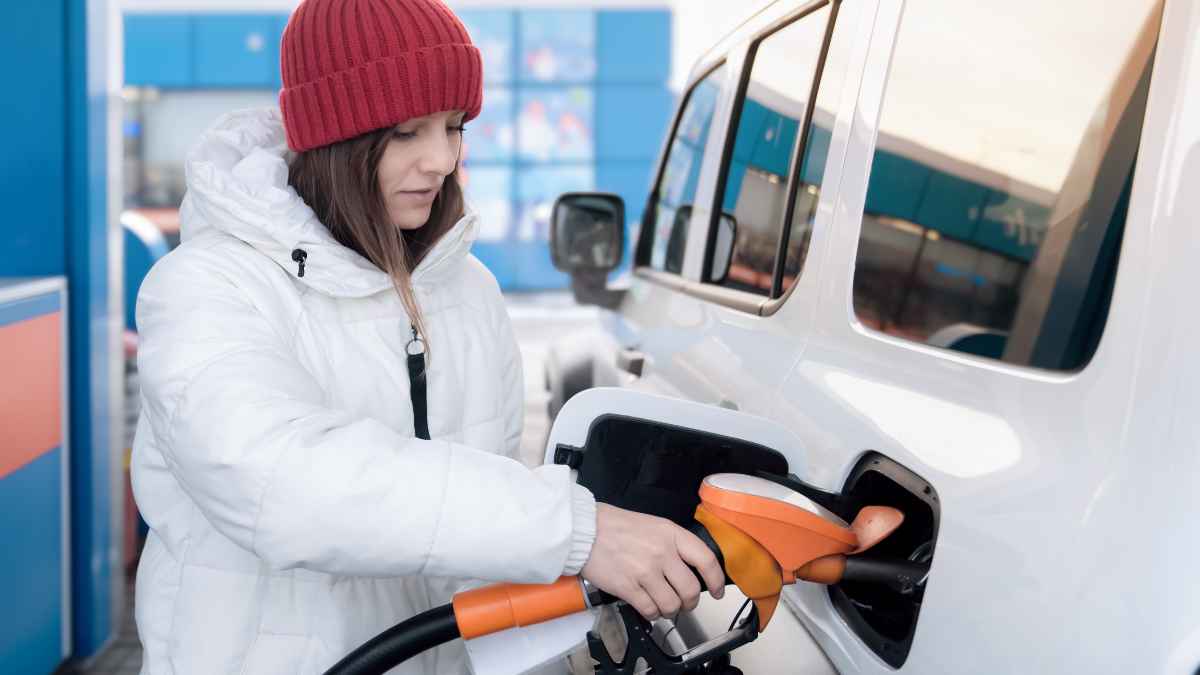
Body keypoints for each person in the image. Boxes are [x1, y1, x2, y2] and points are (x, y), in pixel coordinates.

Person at [129, 1, 723, 673]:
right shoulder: (209, 286)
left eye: (454, 126)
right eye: (408, 131)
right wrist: (573, 531)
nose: (441, 158)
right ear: (333, 137)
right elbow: (278, 480)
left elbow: (479, 542)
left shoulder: (467, 290)